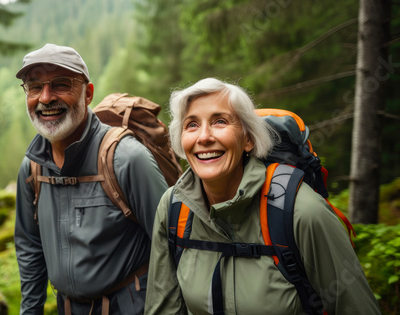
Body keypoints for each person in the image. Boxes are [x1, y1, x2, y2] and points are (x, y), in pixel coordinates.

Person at [144, 78, 380, 314]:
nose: (203, 137)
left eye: (220, 121)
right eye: (192, 125)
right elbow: (164, 308)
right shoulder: (174, 208)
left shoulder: (301, 211)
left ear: (248, 140)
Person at [14, 43, 168, 315]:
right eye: (35, 86)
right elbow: (29, 247)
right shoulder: (32, 168)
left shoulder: (126, 159)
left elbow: (170, 246)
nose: (46, 98)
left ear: (88, 94)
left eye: (61, 84)